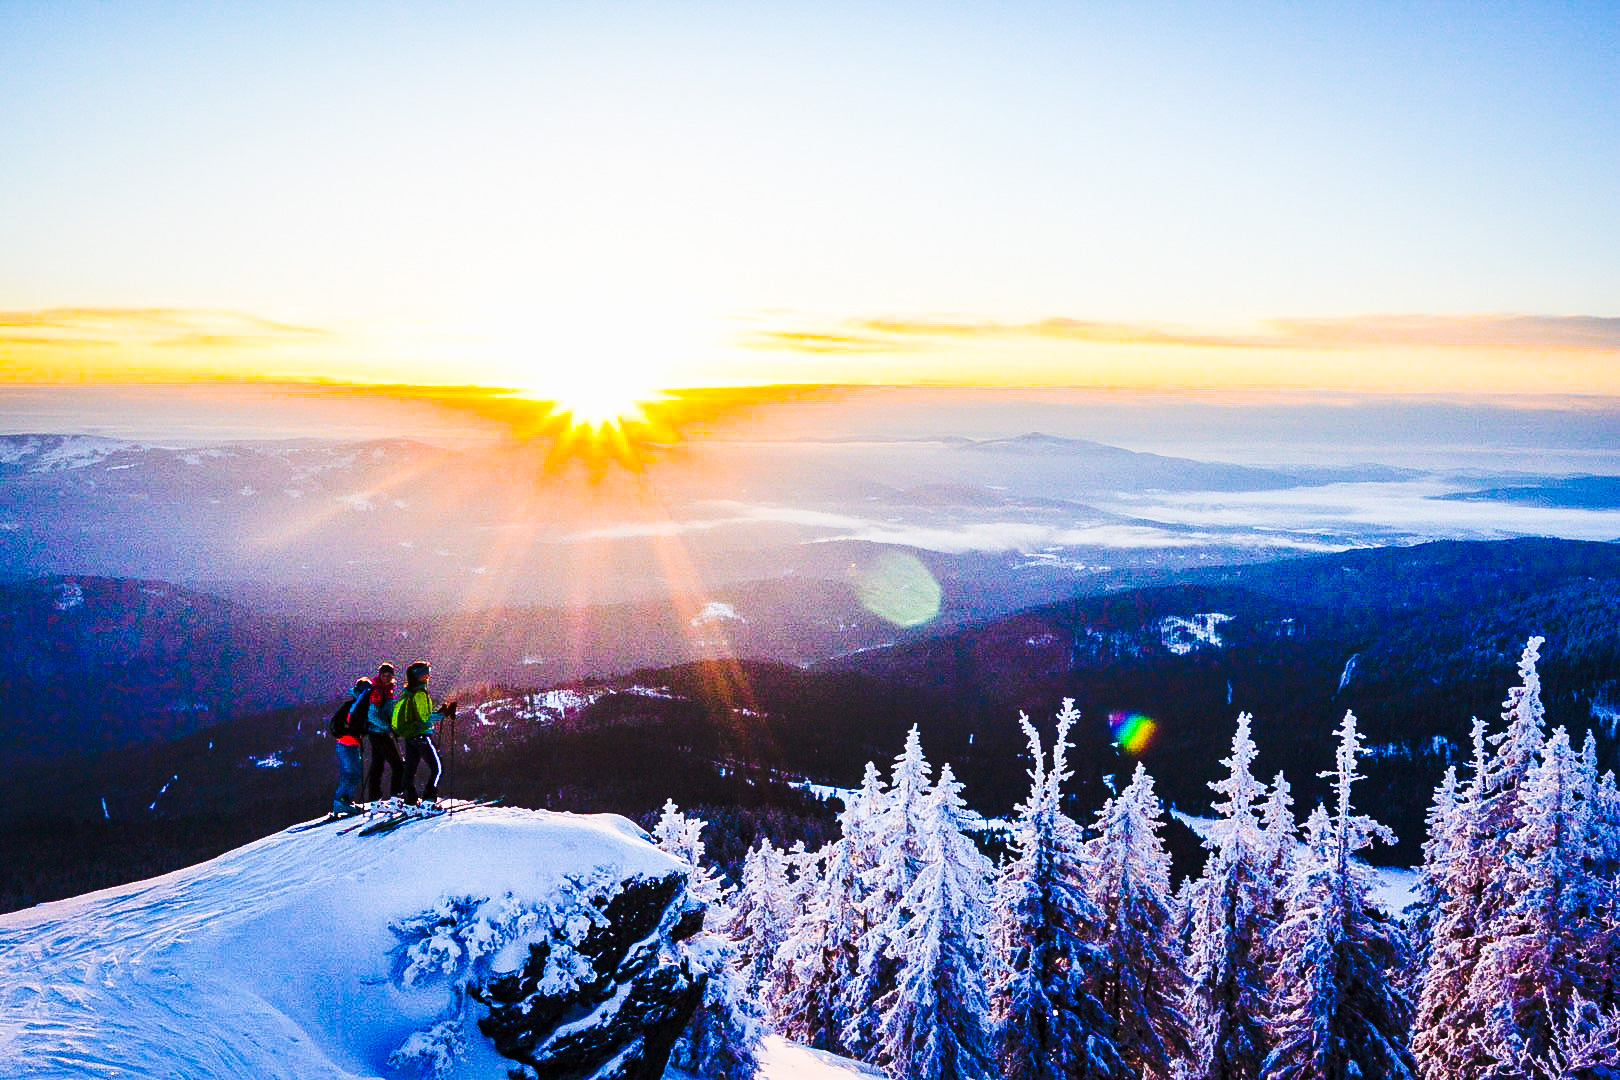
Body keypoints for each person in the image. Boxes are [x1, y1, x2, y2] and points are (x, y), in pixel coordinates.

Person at [392, 660, 456, 807]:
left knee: (410, 769)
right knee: (437, 768)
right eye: (423, 673)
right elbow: (425, 719)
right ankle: (429, 799)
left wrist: (440, 713)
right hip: (421, 735)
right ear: (416, 676)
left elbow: (420, 716)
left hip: (410, 736)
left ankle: (409, 800)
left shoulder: (408, 692)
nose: (427, 675)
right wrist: (443, 715)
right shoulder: (420, 693)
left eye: (428, 672)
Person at [364, 662, 406, 807]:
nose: (386, 677)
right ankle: (396, 798)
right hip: (379, 734)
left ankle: (375, 801)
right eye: (384, 675)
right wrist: (388, 727)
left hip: (377, 734)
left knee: (378, 766)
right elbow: (372, 715)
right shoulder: (378, 691)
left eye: (389, 675)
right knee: (399, 766)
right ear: (379, 675)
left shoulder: (387, 690)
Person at [330, 677, 370, 817]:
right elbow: (352, 726)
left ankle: (343, 801)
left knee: (351, 772)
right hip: (348, 744)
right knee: (352, 773)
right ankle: (342, 802)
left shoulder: (352, 705)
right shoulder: (353, 706)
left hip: (347, 744)